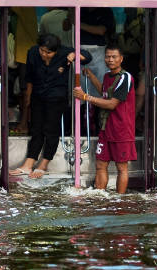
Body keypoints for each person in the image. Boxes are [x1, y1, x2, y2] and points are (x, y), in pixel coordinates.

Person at [9, 34, 90, 179]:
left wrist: (74, 54)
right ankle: (29, 164)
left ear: (56, 51)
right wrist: (27, 99)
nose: (44, 54)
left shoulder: (64, 52)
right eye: (42, 50)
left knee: (51, 130)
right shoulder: (33, 52)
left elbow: (87, 56)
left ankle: (44, 164)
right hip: (38, 96)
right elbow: (29, 77)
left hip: (57, 97)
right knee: (36, 128)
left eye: (48, 52)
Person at [72, 44, 136, 194]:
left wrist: (86, 97)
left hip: (121, 130)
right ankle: (101, 197)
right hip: (106, 128)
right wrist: (92, 76)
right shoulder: (108, 75)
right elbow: (104, 91)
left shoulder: (126, 77)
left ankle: (119, 199)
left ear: (121, 59)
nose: (110, 60)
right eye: (107, 56)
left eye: (114, 57)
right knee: (100, 165)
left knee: (122, 168)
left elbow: (112, 104)